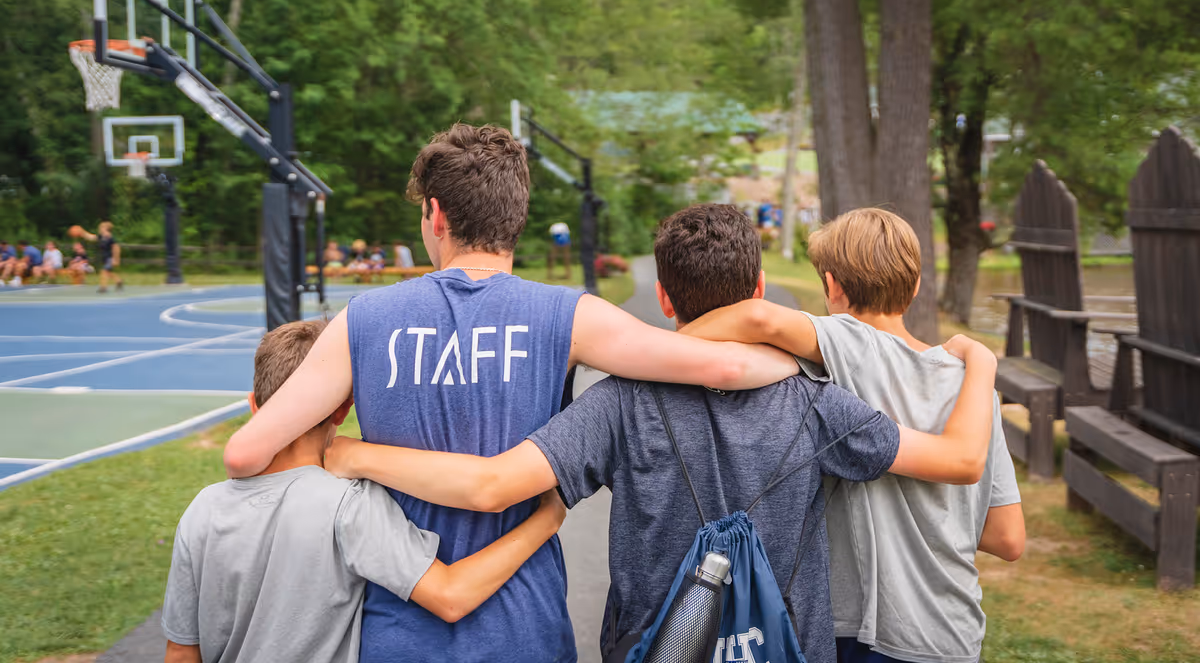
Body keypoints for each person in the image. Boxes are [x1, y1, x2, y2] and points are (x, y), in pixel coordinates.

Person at [223, 124, 799, 663]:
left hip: (397, 631)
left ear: (436, 214)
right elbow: (724, 367)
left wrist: (343, 454)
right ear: (516, 216)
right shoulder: (567, 315)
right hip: (527, 626)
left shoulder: (363, 319)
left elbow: (246, 455)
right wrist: (810, 348)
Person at [324, 204, 999, 663]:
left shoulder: (620, 401)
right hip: (785, 644)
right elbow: (954, 461)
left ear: (667, 301)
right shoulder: (817, 401)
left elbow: (495, 484)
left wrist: (350, 452)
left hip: (654, 644)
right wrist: (979, 366)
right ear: (761, 288)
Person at [683, 207, 1024, 663]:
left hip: (861, 630)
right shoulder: (974, 388)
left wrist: (664, 340)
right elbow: (1007, 537)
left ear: (832, 287)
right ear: (916, 285)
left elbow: (759, 320)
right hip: (952, 632)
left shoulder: (849, 342)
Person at [162, 319, 568, 663]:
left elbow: (181, 653)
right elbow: (450, 596)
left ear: (254, 405)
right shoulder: (347, 505)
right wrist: (545, 521)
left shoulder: (204, 508)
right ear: (342, 408)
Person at [78, 222, 123, 293]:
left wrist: (116, 259)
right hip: (104, 258)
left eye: (101, 227)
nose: (99, 229)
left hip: (110, 258)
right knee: (108, 272)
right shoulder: (101, 237)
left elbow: (116, 249)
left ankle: (103, 287)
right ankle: (119, 281)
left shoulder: (111, 238)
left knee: (104, 271)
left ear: (106, 229)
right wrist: (82, 232)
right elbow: (91, 237)